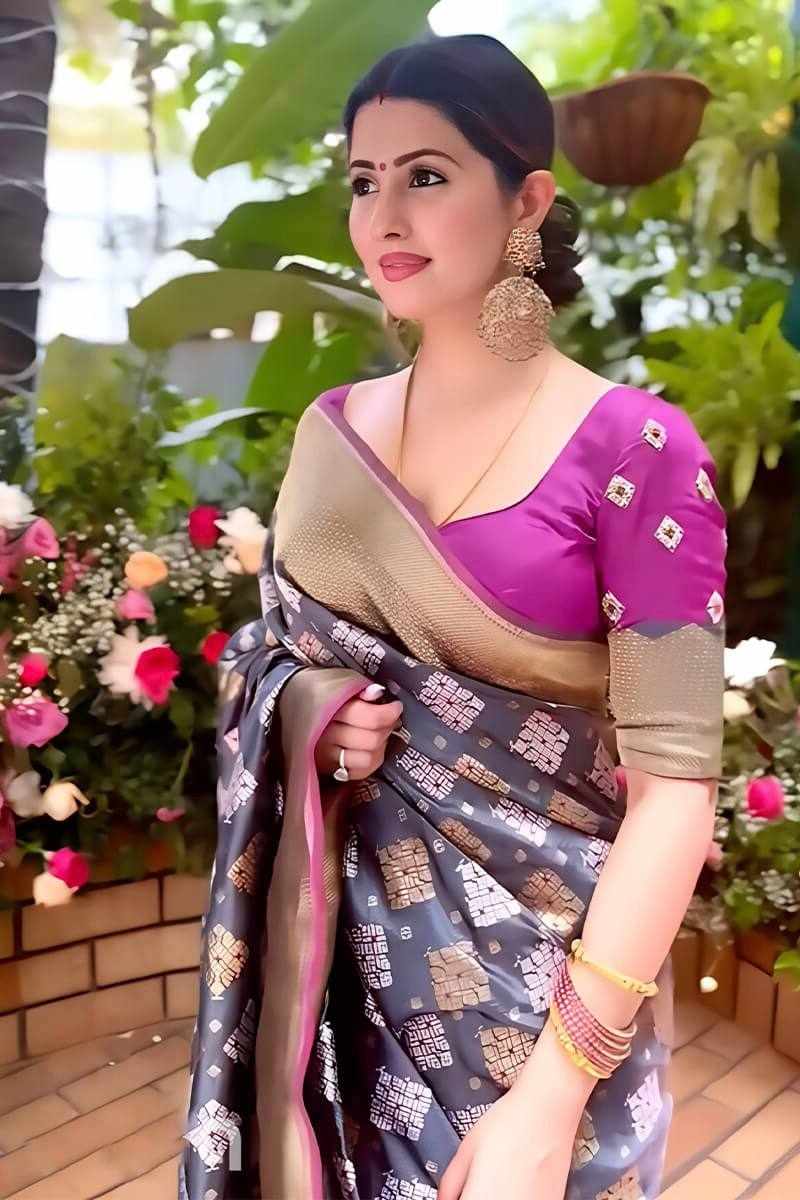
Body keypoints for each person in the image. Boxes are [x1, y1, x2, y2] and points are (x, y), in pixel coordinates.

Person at [179, 33, 726, 1200]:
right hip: (336, 983)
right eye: (362, 180)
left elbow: (675, 792)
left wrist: (551, 1096)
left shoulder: (637, 449)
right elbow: (276, 656)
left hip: (542, 999)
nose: (383, 215)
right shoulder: (331, 434)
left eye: (425, 175)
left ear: (526, 199)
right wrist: (312, 715)